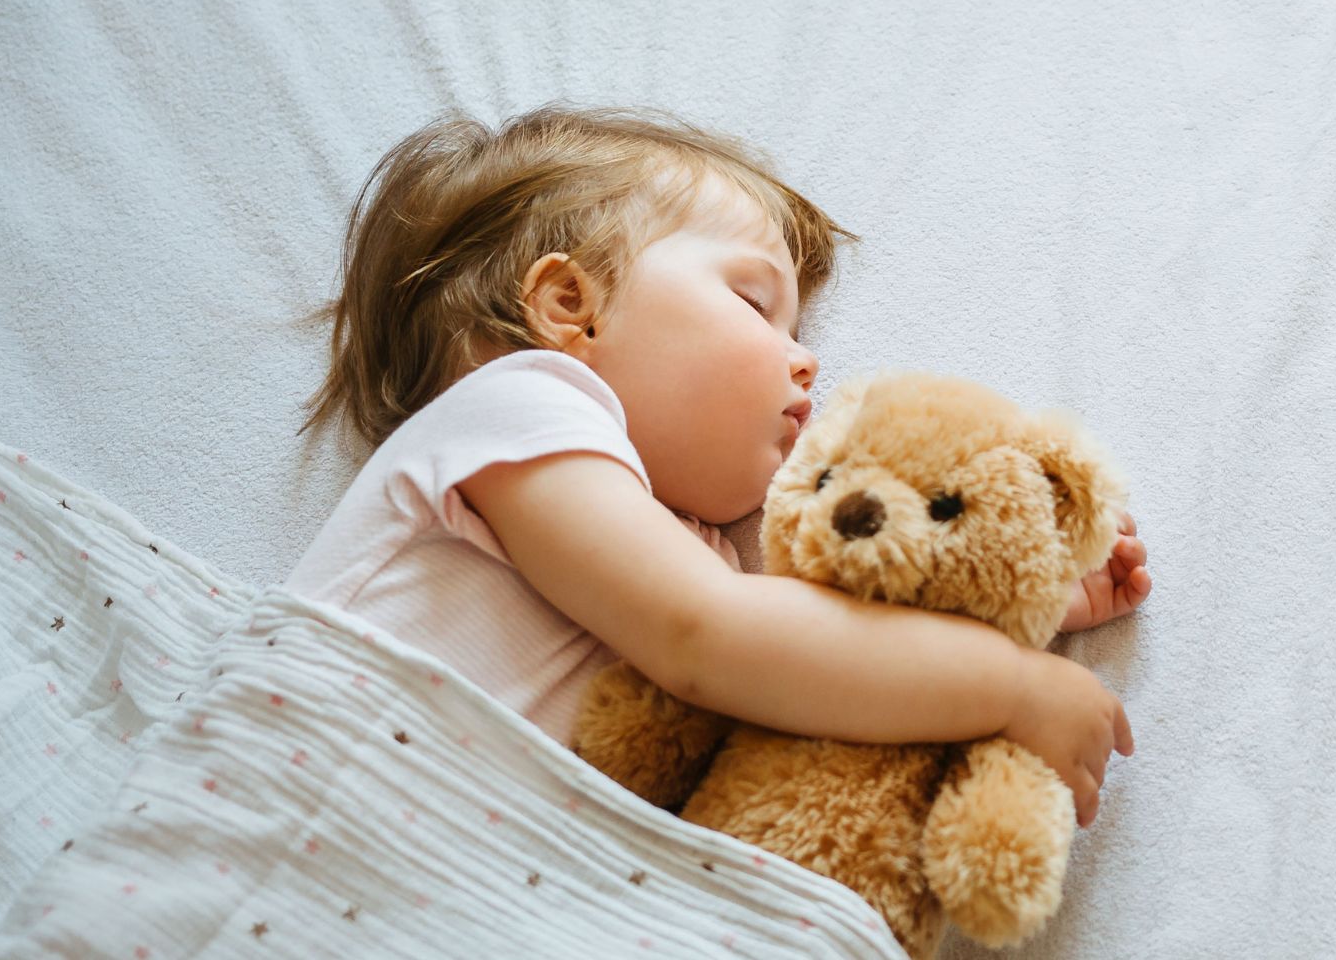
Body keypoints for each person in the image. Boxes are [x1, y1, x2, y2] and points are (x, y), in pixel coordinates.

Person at [286, 103, 1152, 827]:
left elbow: (811, 660)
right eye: (754, 302)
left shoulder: (700, 548)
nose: (805, 362)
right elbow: (710, 636)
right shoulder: (518, 408)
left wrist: (997, 601)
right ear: (567, 307)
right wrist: (1006, 684)